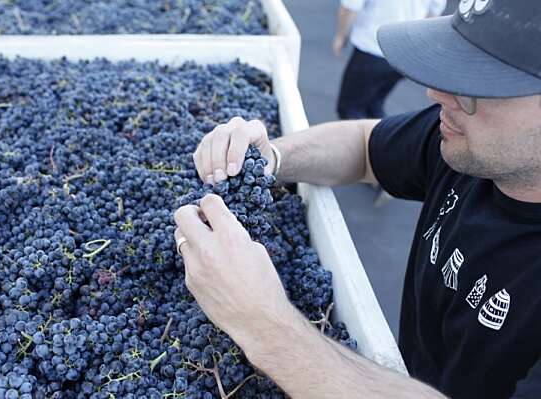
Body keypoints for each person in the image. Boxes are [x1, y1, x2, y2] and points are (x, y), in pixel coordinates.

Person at [174, 0, 541, 398]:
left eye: (478, 84)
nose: (436, 94)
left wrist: (266, 327)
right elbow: (365, 146)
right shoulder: (471, 147)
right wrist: (268, 160)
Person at [333, 0, 446, 120]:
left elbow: (350, 6)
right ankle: (382, 135)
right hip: (404, 54)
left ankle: (365, 137)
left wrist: (340, 36)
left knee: (350, 108)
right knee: (374, 105)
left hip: (372, 48)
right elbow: (434, 12)